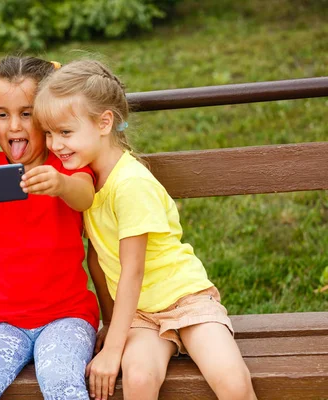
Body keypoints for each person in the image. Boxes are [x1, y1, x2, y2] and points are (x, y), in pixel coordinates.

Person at [33, 59, 257, 400]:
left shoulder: (130, 184)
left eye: (65, 132)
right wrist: (111, 327)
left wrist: (112, 350)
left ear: (104, 122)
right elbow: (97, 259)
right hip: (140, 315)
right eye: (49, 133)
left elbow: (132, 271)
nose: (55, 144)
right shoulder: (87, 181)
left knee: (231, 380)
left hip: (186, 300)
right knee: (138, 380)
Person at [0, 56, 100, 399]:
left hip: (67, 316)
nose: (14, 127)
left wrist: (60, 185)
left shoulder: (65, 163)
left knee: (61, 381)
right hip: (1, 319)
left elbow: (85, 195)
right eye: (2, 114)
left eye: (27, 113)